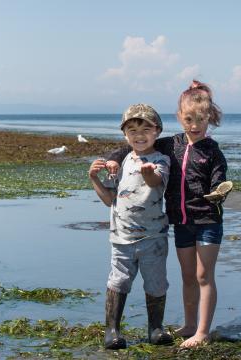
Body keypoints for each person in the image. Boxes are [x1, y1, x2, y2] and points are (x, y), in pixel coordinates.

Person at [106, 80, 228, 348]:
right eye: (188, 119)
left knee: (203, 276)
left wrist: (219, 193)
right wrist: (114, 157)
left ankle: (203, 332)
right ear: (179, 118)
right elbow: (134, 145)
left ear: (210, 118)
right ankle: (189, 324)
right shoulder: (170, 145)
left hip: (207, 221)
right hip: (181, 221)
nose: (194, 125)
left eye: (201, 119)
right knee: (187, 276)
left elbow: (220, 181)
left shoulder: (213, 151)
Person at [89, 103, 174, 350]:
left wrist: (147, 171)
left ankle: (155, 328)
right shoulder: (121, 161)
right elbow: (109, 199)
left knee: (156, 282)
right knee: (118, 281)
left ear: (157, 131)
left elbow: (156, 180)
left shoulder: (161, 160)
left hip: (153, 236)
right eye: (132, 130)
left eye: (146, 129)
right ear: (125, 135)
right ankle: (112, 330)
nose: (139, 135)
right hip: (121, 237)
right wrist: (94, 178)